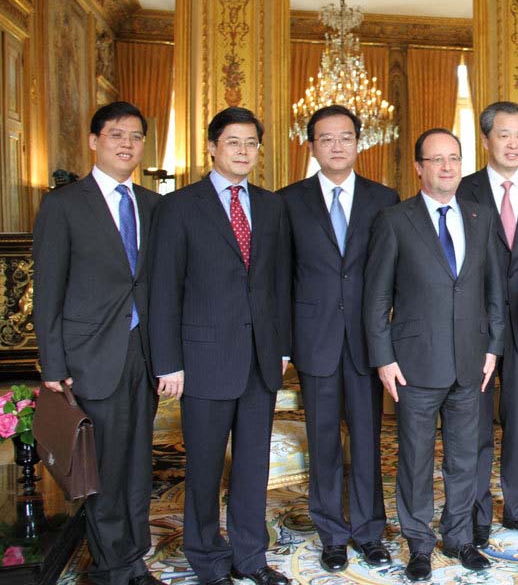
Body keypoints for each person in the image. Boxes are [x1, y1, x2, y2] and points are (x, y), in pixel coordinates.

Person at [149, 107, 291, 585]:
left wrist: (283, 346)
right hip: (203, 359)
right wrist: (168, 361)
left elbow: (279, 284)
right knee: (205, 471)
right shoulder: (179, 206)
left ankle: (252, 558)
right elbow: (164, 287)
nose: (243, 151)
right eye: (233, 142)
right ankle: (207, 559)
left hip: (260, 361)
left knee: (253, 469)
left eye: (251, 143)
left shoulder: (272, 207)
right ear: (211, 147)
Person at [363, 128, 505, 582]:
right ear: (419, 167)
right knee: (416, 459)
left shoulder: (480, 217)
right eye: (437, 159)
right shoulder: (394, 219)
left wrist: (493, 348)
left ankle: (459, 537)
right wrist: (384, 358)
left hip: (471, 361)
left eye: (454, 158)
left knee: (466, 457)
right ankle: (419, 544)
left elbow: (493, 292)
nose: (447, 167)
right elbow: (375, 297)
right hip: (414, 364)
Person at [33, 101, 163, 585]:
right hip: (90, 355)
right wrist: (52, 364)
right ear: (94, 141)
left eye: (135, 136)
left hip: (144, 354)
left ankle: (134, 556)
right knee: (102, 467)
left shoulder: (154, 205)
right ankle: (113, 566)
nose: (127, 144)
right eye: (116, 135)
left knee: (137, 463)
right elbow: (47, 290)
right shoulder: (64, 205)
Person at [278, 105, 399, 572]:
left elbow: (393, 275)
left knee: (369, 440)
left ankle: (370, 531)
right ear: (311, 146)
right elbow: (282, 278)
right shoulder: (289, 201)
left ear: (358, 142)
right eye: (325, 139)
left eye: (345, 137)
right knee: (323, 440)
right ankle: (331, 532)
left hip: (368, 343)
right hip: (315, 339)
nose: (336, 146)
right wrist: (285, 344)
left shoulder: (384, 198)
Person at [456, 101, 518, 547]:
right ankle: (477, 510)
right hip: (475, 326)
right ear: (485, 140)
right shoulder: (463, 189)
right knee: (475, 421)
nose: (513, 143)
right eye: (503, 135)